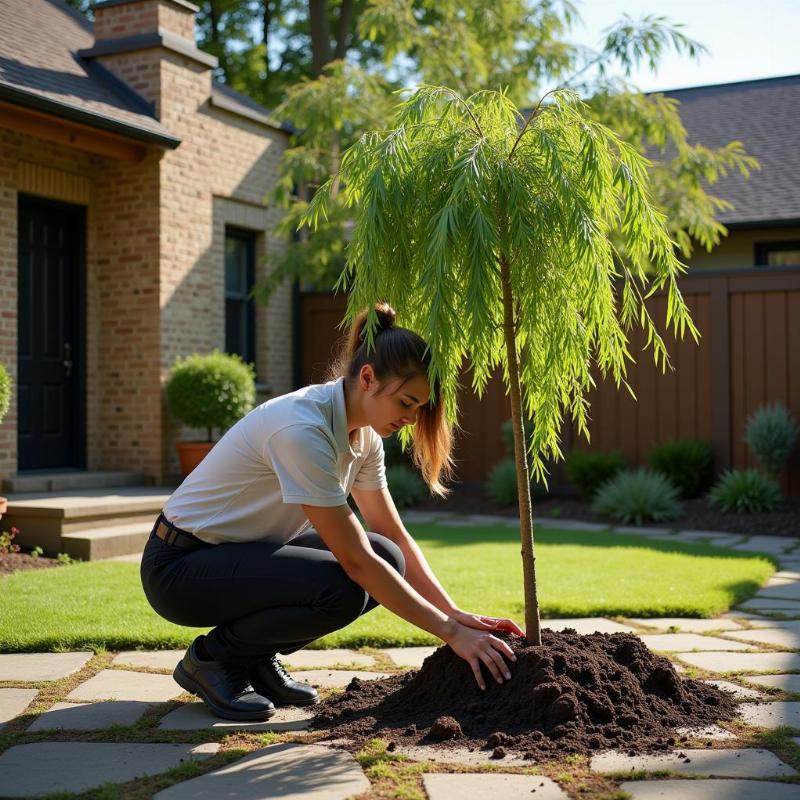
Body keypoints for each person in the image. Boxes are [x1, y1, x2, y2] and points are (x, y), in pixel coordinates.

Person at [140, 302, 523, 722]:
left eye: (418, 409)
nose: (412, 419)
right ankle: (213, 659)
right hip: (180, 567)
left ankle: (253, 654)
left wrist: (456, 613)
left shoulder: (365, 439)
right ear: (368, 378)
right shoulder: (302, 429)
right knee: (341, 587)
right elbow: (355, 562)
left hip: (245, 554)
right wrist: (451, 634)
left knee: (387, 557)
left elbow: (391, 537)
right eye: (406, 403)